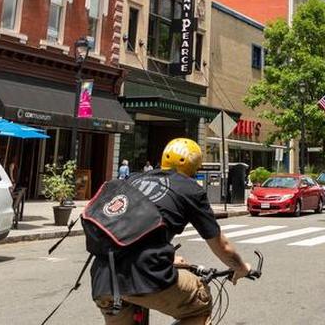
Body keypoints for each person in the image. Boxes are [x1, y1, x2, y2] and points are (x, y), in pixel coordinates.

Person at [91, 138, 251, 325]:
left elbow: (129, 232)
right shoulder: (190, 189)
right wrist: (241, 268)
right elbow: (221, 246)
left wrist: (169, 258)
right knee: (200, 302)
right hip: (146, 275)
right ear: (196, 169)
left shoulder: (134, 180)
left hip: (103, 277)